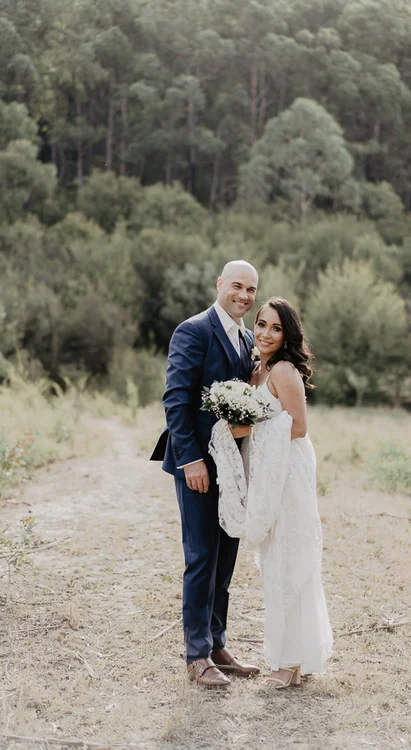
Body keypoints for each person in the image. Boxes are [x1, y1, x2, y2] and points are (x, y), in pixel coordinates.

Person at [150, 261, 260, 689]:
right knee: (201, 558)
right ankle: (196, 655)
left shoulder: (248, 339)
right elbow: (176, 399)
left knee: (226, 556)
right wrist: (190, 460)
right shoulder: (193, 330)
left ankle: (217, 644)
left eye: (251, 290)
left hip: (233, 466)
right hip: (197, 464)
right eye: (237, 286)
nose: (244, 296)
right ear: (219, 284)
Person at [212, 297, 333, 688]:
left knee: (290, 560)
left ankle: (289, 661)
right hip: (266, 474)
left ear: (287, 335)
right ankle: (292, 661)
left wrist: (247, 429)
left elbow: (297, 427)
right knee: (276, 564)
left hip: (288, 474)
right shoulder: (255, 371)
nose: (265, 333)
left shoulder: (283, 370)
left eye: (276, 328)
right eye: (261, 324)